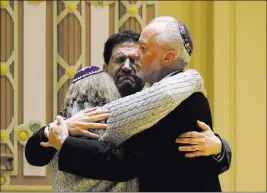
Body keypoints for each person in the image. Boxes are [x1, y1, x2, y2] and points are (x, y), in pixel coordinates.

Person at [38, 17, 231, 191]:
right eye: (120, 59)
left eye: (143, 49)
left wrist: (65, 143)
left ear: (168, 57)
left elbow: (122, 162)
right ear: (105, 67)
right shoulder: (89, 102)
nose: (135, 59)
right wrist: (54, 131)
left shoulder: (173, 100)